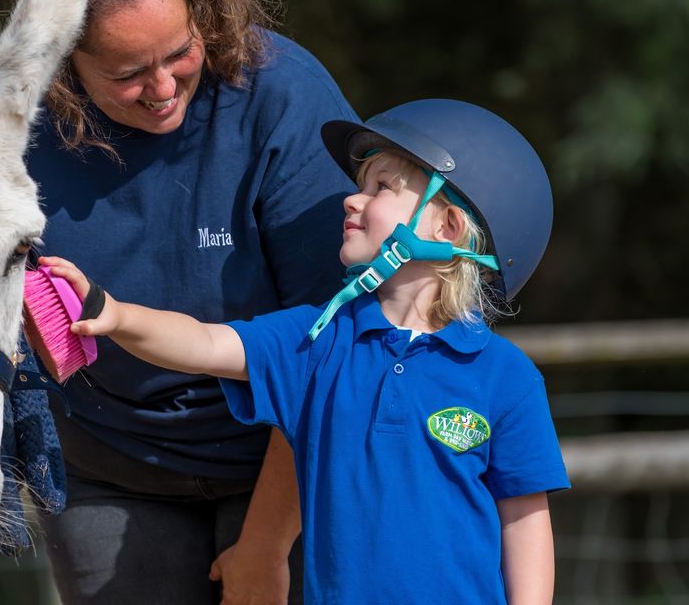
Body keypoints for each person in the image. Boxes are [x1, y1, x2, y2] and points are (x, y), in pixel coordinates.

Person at [41, 99, 571, 604]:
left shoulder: (505, 377)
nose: (351, 199)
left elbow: (525, 521)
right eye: (359, 186)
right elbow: (203, 343)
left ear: (447, 228)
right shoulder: (316, 341)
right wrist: (117, 315)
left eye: (381, 187)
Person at [10, 0, 358, 604]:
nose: (164, 88)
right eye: (129, 73)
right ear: (63, 65)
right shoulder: (16, 127)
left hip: (285, 446)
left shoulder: (284, 98)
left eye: (180, 53)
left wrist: (265, 546)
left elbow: (333, 341)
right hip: (108, 459)